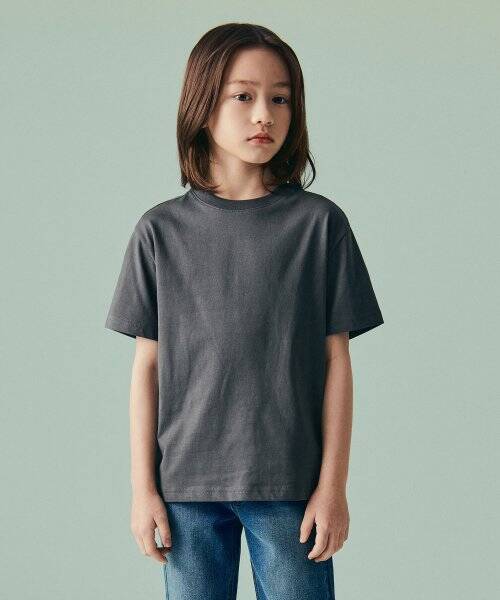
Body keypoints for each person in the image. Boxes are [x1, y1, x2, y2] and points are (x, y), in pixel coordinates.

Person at [105, 22, 384, 600]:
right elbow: (147, 369)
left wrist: (333, 486)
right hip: (185, 489)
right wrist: (142, 490)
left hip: (289, 485)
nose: (264, 115)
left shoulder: (319, 225)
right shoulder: (159, 232)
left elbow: (337, 363)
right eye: (243, 96)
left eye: (280, 99)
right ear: (202, 105)